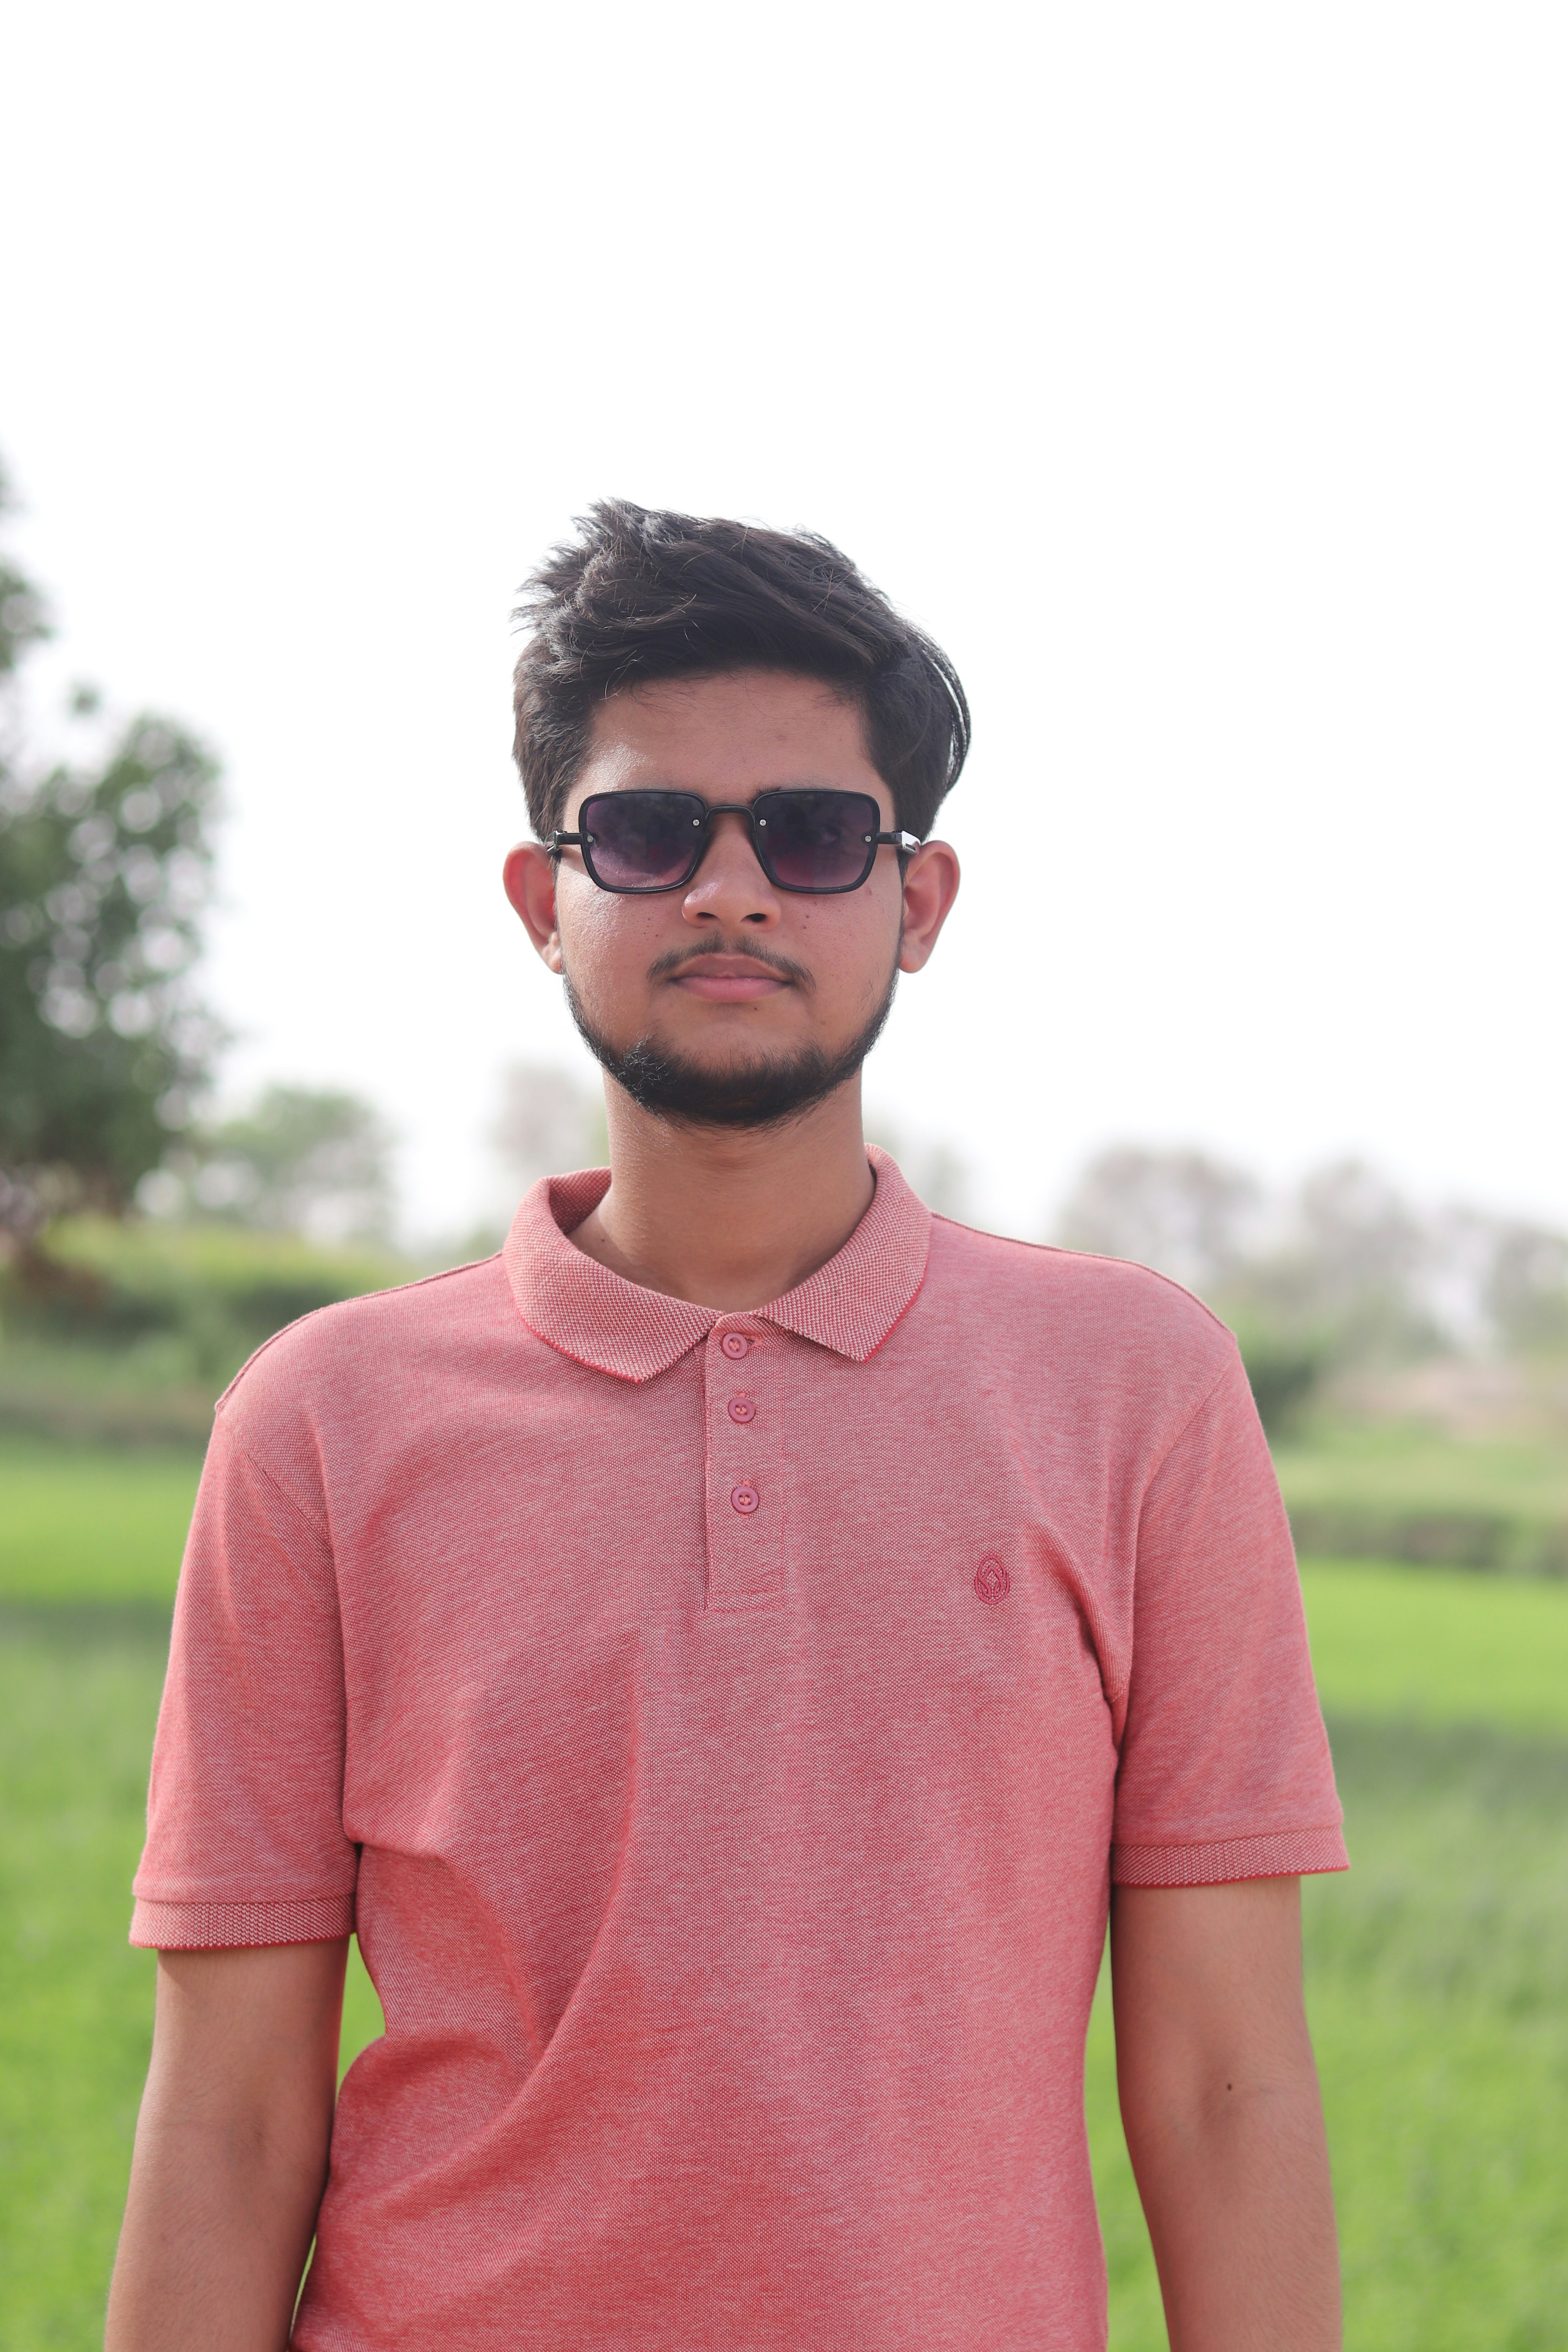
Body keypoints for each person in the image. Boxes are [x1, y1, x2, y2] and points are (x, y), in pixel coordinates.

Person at [107, 501, 1346, 2352]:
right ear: (547, 900)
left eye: (815, 833)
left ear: (915, 904)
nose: (731, 889)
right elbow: (228, 2114)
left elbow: (1225, 2090)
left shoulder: (1135, 1392)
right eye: (650, 829)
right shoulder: (322, 1424)